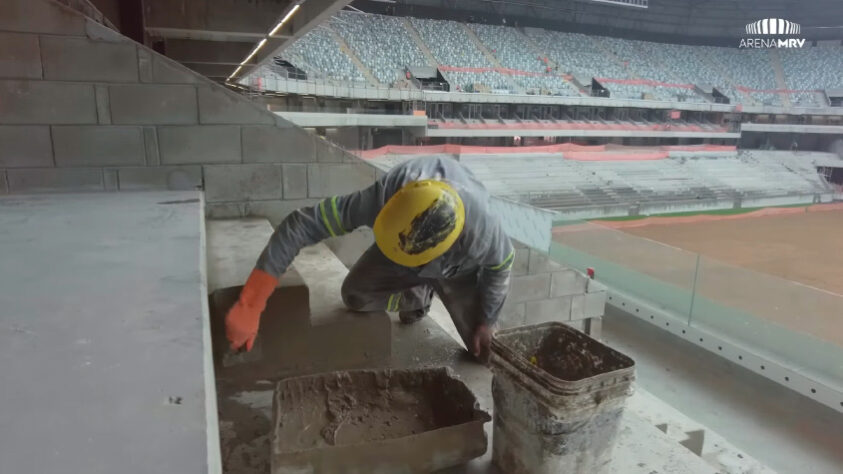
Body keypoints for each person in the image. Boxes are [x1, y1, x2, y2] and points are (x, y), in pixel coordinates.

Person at [225, 156, 514, 363]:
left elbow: (500, 267)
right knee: (355, 296)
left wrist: (487, 321)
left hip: (457, 272)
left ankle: (435, 286)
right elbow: (301, 225)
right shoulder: (383, 199)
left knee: (484, 353)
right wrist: (250, 303)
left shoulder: (481, 231)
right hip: (400, 258)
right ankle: (418, 296)